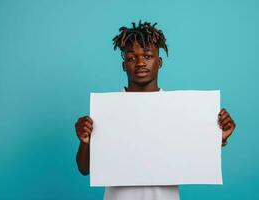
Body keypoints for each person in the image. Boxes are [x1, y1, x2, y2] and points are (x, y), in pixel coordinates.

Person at [75, 21, 236, 200]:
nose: (140, 63)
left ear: (159, 62)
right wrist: (85, 141)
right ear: (123, 66)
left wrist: (215, 137)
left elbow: (190, 154)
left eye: (148, 56)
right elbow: (84, 169)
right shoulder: (107, 111)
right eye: (131, 58)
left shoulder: (179, 109)